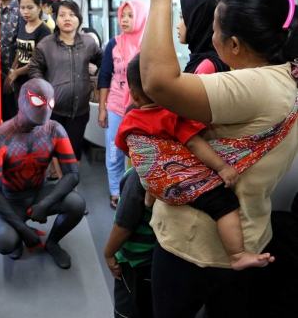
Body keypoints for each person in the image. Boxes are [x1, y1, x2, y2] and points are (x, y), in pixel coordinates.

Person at [143, 0, 298, 315]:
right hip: (250, 233)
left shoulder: (255, 86)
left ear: (233, 44)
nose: (210, 40)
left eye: (214, 31)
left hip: (198, 247)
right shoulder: (284, 76)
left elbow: (157, 82)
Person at [117, 53, 275, 270]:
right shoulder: (173, 114)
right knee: (226, 205)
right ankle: (237, 254)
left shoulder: (128, 121)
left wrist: (152, 173)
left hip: (153, 183)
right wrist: (222, 167)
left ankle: (151, 194)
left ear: (133, 95)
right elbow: (195, 144)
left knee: (151, 170)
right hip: (181, 183)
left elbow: (132, 151)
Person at [0, 79, 86, 269]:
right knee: (6, 243)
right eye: (38, 101)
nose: (46, 108)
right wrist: (23, 230)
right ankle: (15, 233)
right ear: (22, 101)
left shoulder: (54, 129)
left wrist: (45, 203)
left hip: (40, 192)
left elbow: (73, 173)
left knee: (76, 203)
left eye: (51, 102)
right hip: (10, 198)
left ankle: (53, 242)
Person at [29, 0, 104, 188]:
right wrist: (43, 88)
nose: (67, 19)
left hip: (80, 109)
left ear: (78, 19)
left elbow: (105, 62)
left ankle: (70, 188)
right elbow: (35, 68)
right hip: (54, 108)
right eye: (62, 15)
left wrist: (99, 76)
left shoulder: (88, 43)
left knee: (75, 149)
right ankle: (65, 187)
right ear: (56, 19)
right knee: (57, 149)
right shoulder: (46, 45)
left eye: (71, 14)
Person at [97, 0, 148, 210]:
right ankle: (116, 191)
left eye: (130, 16)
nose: (124, 20)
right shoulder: (113, 44)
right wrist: (102, 108)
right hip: (116, 106)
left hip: (141, 108)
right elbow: (104, 76)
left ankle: (140, 190)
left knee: (142, 151)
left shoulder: (149, 44)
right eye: (122, 15)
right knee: (114, 151)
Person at [104, 168, 155, 318]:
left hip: (137, 261)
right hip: (161, 256)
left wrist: (108, 253)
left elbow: (125, 225)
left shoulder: (139, 174)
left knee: (129, 310)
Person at [7, 0, 51, 102]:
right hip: (19, 79)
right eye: (22, 8)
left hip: (35, 80)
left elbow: (38, 61)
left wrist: (15, 72)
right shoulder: (22, 25)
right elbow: (19, 51)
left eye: (30, 8)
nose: (26, 12)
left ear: (39, 7)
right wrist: (11, 71)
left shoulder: (44, 31)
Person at [176, 0, 230, 74]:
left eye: (182, 18)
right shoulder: (204, 58)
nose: (177, 26)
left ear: (198, 20)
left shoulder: (206, 66)